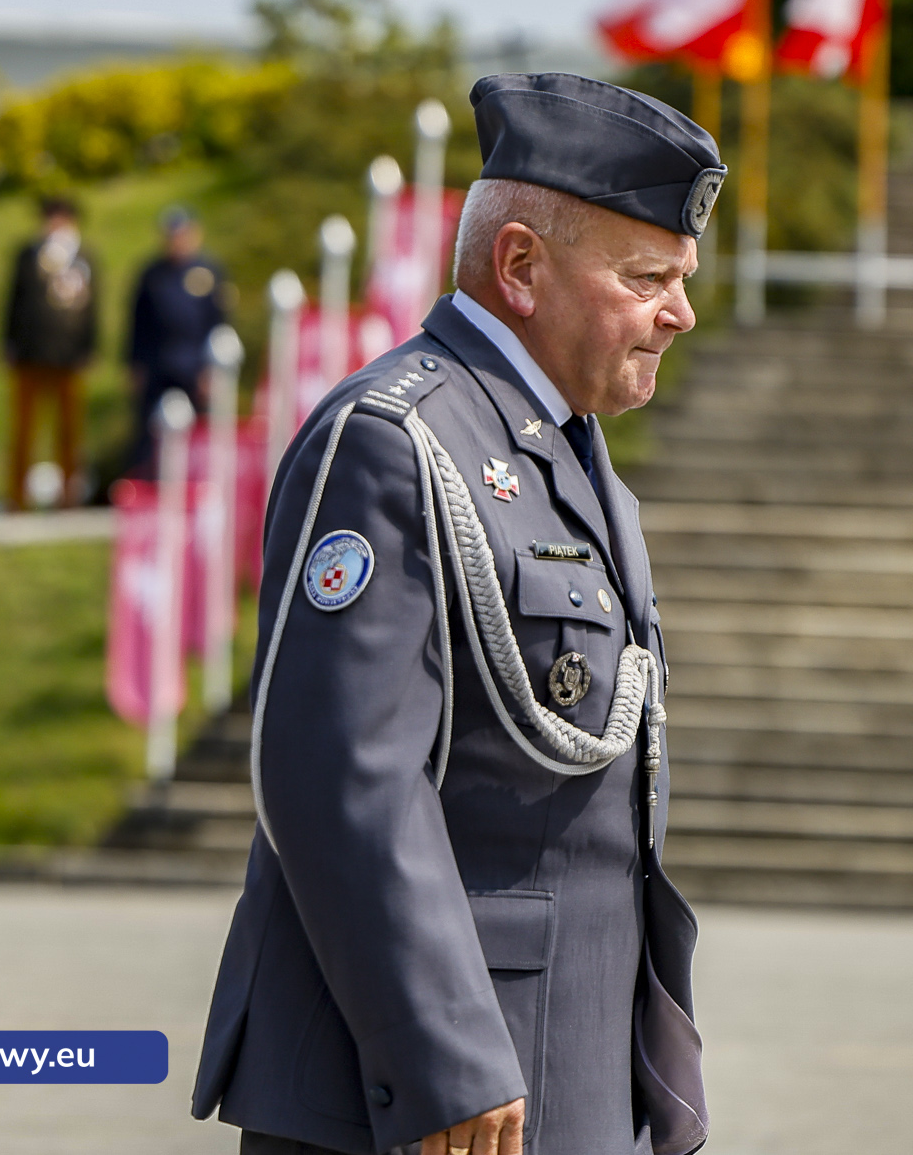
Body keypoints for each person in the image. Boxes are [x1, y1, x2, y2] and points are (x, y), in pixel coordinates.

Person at [192, 72, 725, 1155]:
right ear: (520, 266)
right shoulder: (396, 440)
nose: (680, 311)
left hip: (560, 1070)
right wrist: (440, 1055)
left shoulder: (565, 456)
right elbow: (342, 775)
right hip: (428, 1096)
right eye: (645, 277)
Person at [0, 194, 98, 509]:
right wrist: (9, 342)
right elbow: (13, 301)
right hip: (30, 354)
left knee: (69, 434)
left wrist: (89, 347)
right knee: (23, 432)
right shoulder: (28, 255)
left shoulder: (84, 258)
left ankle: (68, 499)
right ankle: (16, 499)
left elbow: (93, 308)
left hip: (68, 357)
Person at [126, 204, 230, 474]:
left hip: (194, 363)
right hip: (158, 363)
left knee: (197, 431)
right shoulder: (152, 274)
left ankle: (195, 483)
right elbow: (138, 323)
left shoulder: (209, 273)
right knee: (150, 431)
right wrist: (135, 364)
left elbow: (218, 323)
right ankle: (149, 482)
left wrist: (211, 370)